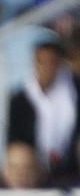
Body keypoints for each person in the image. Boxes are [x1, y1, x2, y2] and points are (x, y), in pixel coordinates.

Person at [6, 40, 80, 186]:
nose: (46, 68)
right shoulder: (20, 99)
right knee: (18, 156)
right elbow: (15, 138)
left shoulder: (76, 92)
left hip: (70, 161)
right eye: (41, 62)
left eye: (52, 62)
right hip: (35, 162)